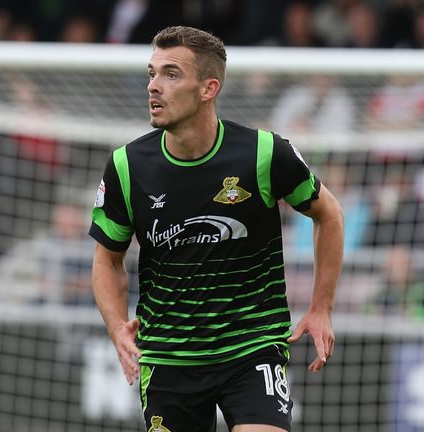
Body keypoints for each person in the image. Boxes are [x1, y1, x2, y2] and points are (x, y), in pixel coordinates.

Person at [89, 26, 344, 432]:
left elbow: (328, 215)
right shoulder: (126, 166)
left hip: (252, 348)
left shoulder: (264, 153)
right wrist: (117, 326)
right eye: (151, 73)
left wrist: (321, 307)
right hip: (170, 358)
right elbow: (107, 259)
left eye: (171, 74)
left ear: (209, 88)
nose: (154, 86)